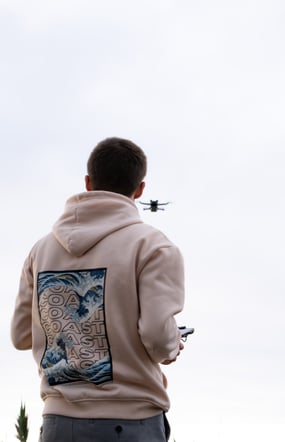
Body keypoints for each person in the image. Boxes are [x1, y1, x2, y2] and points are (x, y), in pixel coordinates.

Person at [11, 137, 185, 442]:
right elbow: (158, 338)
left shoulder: (40, 251)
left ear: (88, 182)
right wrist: (173, 344)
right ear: (140, 189)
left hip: (58, 424)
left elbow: (20, 336)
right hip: (131, 421)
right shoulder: (154, 247)